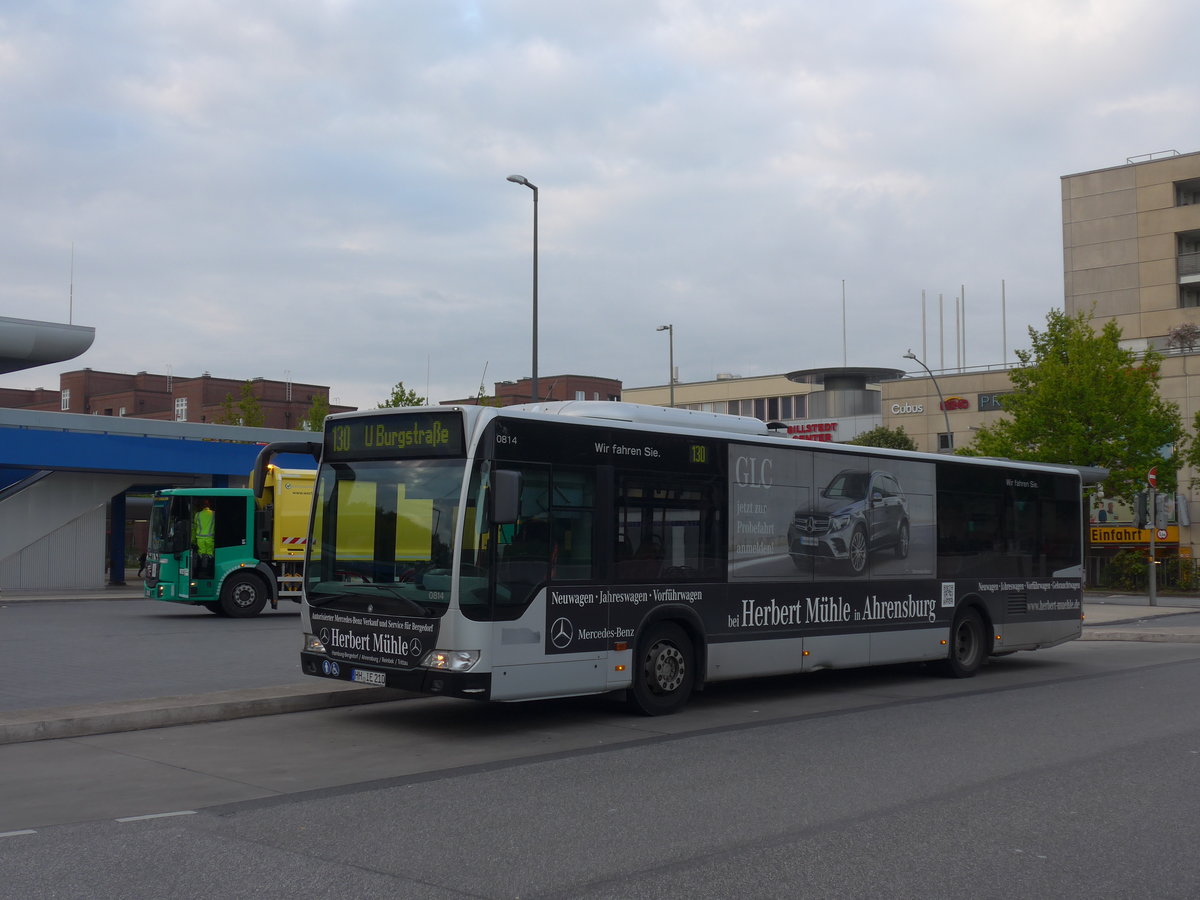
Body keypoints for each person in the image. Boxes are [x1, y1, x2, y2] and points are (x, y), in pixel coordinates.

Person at [193, 499, 215, 578]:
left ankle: (202, 573)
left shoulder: (197, 515)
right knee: (210, 555)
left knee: (201, 556)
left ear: (201, 506)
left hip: (200, 539)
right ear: (209, 505)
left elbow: (194, 528)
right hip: (210, 539)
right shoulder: (213, 514)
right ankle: (209, 572)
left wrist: (193, 540)